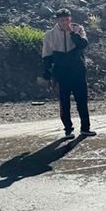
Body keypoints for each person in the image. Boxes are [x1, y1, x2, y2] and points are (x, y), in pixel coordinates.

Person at [41, 9, 95, 140]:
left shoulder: (78, 29)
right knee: (64, 103)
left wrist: (71, 33)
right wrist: (45, 74)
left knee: (82, 101)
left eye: (67, 20)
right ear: (57, 21)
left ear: (70, 19)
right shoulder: (50, 35)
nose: (65, 23)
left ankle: (85, 129)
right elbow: (46, 56)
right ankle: (68, 130)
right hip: (61, 74)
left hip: (78, 72)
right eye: (62, 20)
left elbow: (83, 44)